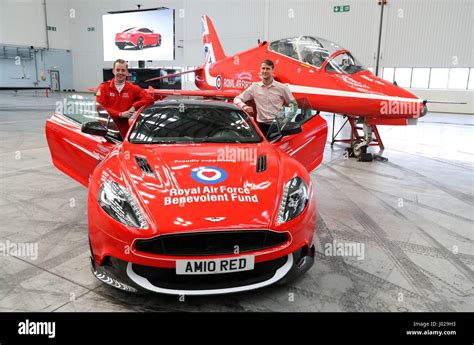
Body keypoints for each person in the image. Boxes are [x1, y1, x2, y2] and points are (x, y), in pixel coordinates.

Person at [234, 59, 298, 136]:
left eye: (268, 69)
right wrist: (244, 106)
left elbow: (294, 105)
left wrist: (285, 121)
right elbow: (237, 99)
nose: (265, 71)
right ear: (260, 70)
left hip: (277, 126)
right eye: (263, 68)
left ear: (272, 70)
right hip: (261, 126)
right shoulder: (254, 87)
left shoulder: (282, 88)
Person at [96, 59, 154, 138]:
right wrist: (120, 114)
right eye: (118, 70)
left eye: (123, 70)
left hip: (124, 132)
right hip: (106, 130)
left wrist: (134, 106)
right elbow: (100, 108)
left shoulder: (133, 88)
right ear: (113, 71)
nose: (120, 72)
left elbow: (149, 98)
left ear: (127, 72)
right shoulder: (104, 87)